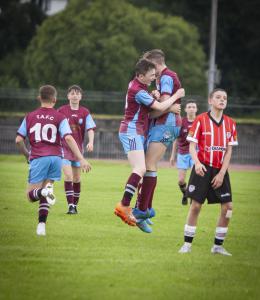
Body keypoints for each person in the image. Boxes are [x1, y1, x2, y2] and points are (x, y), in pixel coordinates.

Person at [114, 58, 185, 232]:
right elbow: (159, 107)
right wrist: (176, 97)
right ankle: (124, 205)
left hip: (136, 131)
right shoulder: (138, 90)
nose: (154, 77)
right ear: (140, 75)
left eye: (155, 74)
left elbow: (150, 110)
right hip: (131, 131)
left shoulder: (139, 86)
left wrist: (154, 96)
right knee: (140, 168)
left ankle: (140, 209)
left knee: (143, 168)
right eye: (151, 75)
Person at [15, 85, 91, 236]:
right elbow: (68, 137)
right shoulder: (59, 116)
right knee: (46, 193)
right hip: (56, 158)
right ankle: (41, 225)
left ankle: (43, 193)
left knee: (31, 195)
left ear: (39, 98)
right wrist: (81, 158)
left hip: (38, 157)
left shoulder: (29, 116)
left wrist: (26, 155)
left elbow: (18, 140)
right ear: (55, 100)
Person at [178, 88, 238, 256]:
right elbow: (191, 146)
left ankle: (218, 247)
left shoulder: (231, 123)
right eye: (218, 97)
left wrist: (221, 174)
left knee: (228, 208)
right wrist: (196, 163)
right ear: (210, 100)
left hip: (220, 170)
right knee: (196, 206)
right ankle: (187, 245)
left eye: (225, 98)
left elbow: (229, 151)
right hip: (202, 168)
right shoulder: (200, 120)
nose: (222, 100)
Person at [134, 49, 182, 226]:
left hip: (166, 124)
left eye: (149, 65)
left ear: (155, 64)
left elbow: (162, 106)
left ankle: (142, 210)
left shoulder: (167, 77)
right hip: (164, 123)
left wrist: (166, 107)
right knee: (147, 165)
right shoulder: (163, 78)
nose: (148, 71)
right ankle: (146, 208)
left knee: (148, 164)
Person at [58, 85, 96, 214]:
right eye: (72, 93)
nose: (75, 95)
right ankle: (70, 206)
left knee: (77, 179)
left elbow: (90, 128)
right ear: (68, 96)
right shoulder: (61, 111)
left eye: (77, 93)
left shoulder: (85, 112)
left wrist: (91, 142)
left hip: (78, 151)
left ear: (81, 96)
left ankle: (75, 205)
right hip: (64, 149)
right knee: (68, 176)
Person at [170, 100, 198, 205]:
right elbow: (176, 139)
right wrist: (173, 155)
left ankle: (193, 198)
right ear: (185, 109)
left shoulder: (200, 122)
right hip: (182, 153)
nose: (191, 109)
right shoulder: (181, 122)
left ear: (196, 109)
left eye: (193, 107)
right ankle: (185, 194)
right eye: (189, 107)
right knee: (181, 180)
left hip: (196, 153)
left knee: (195, 178)